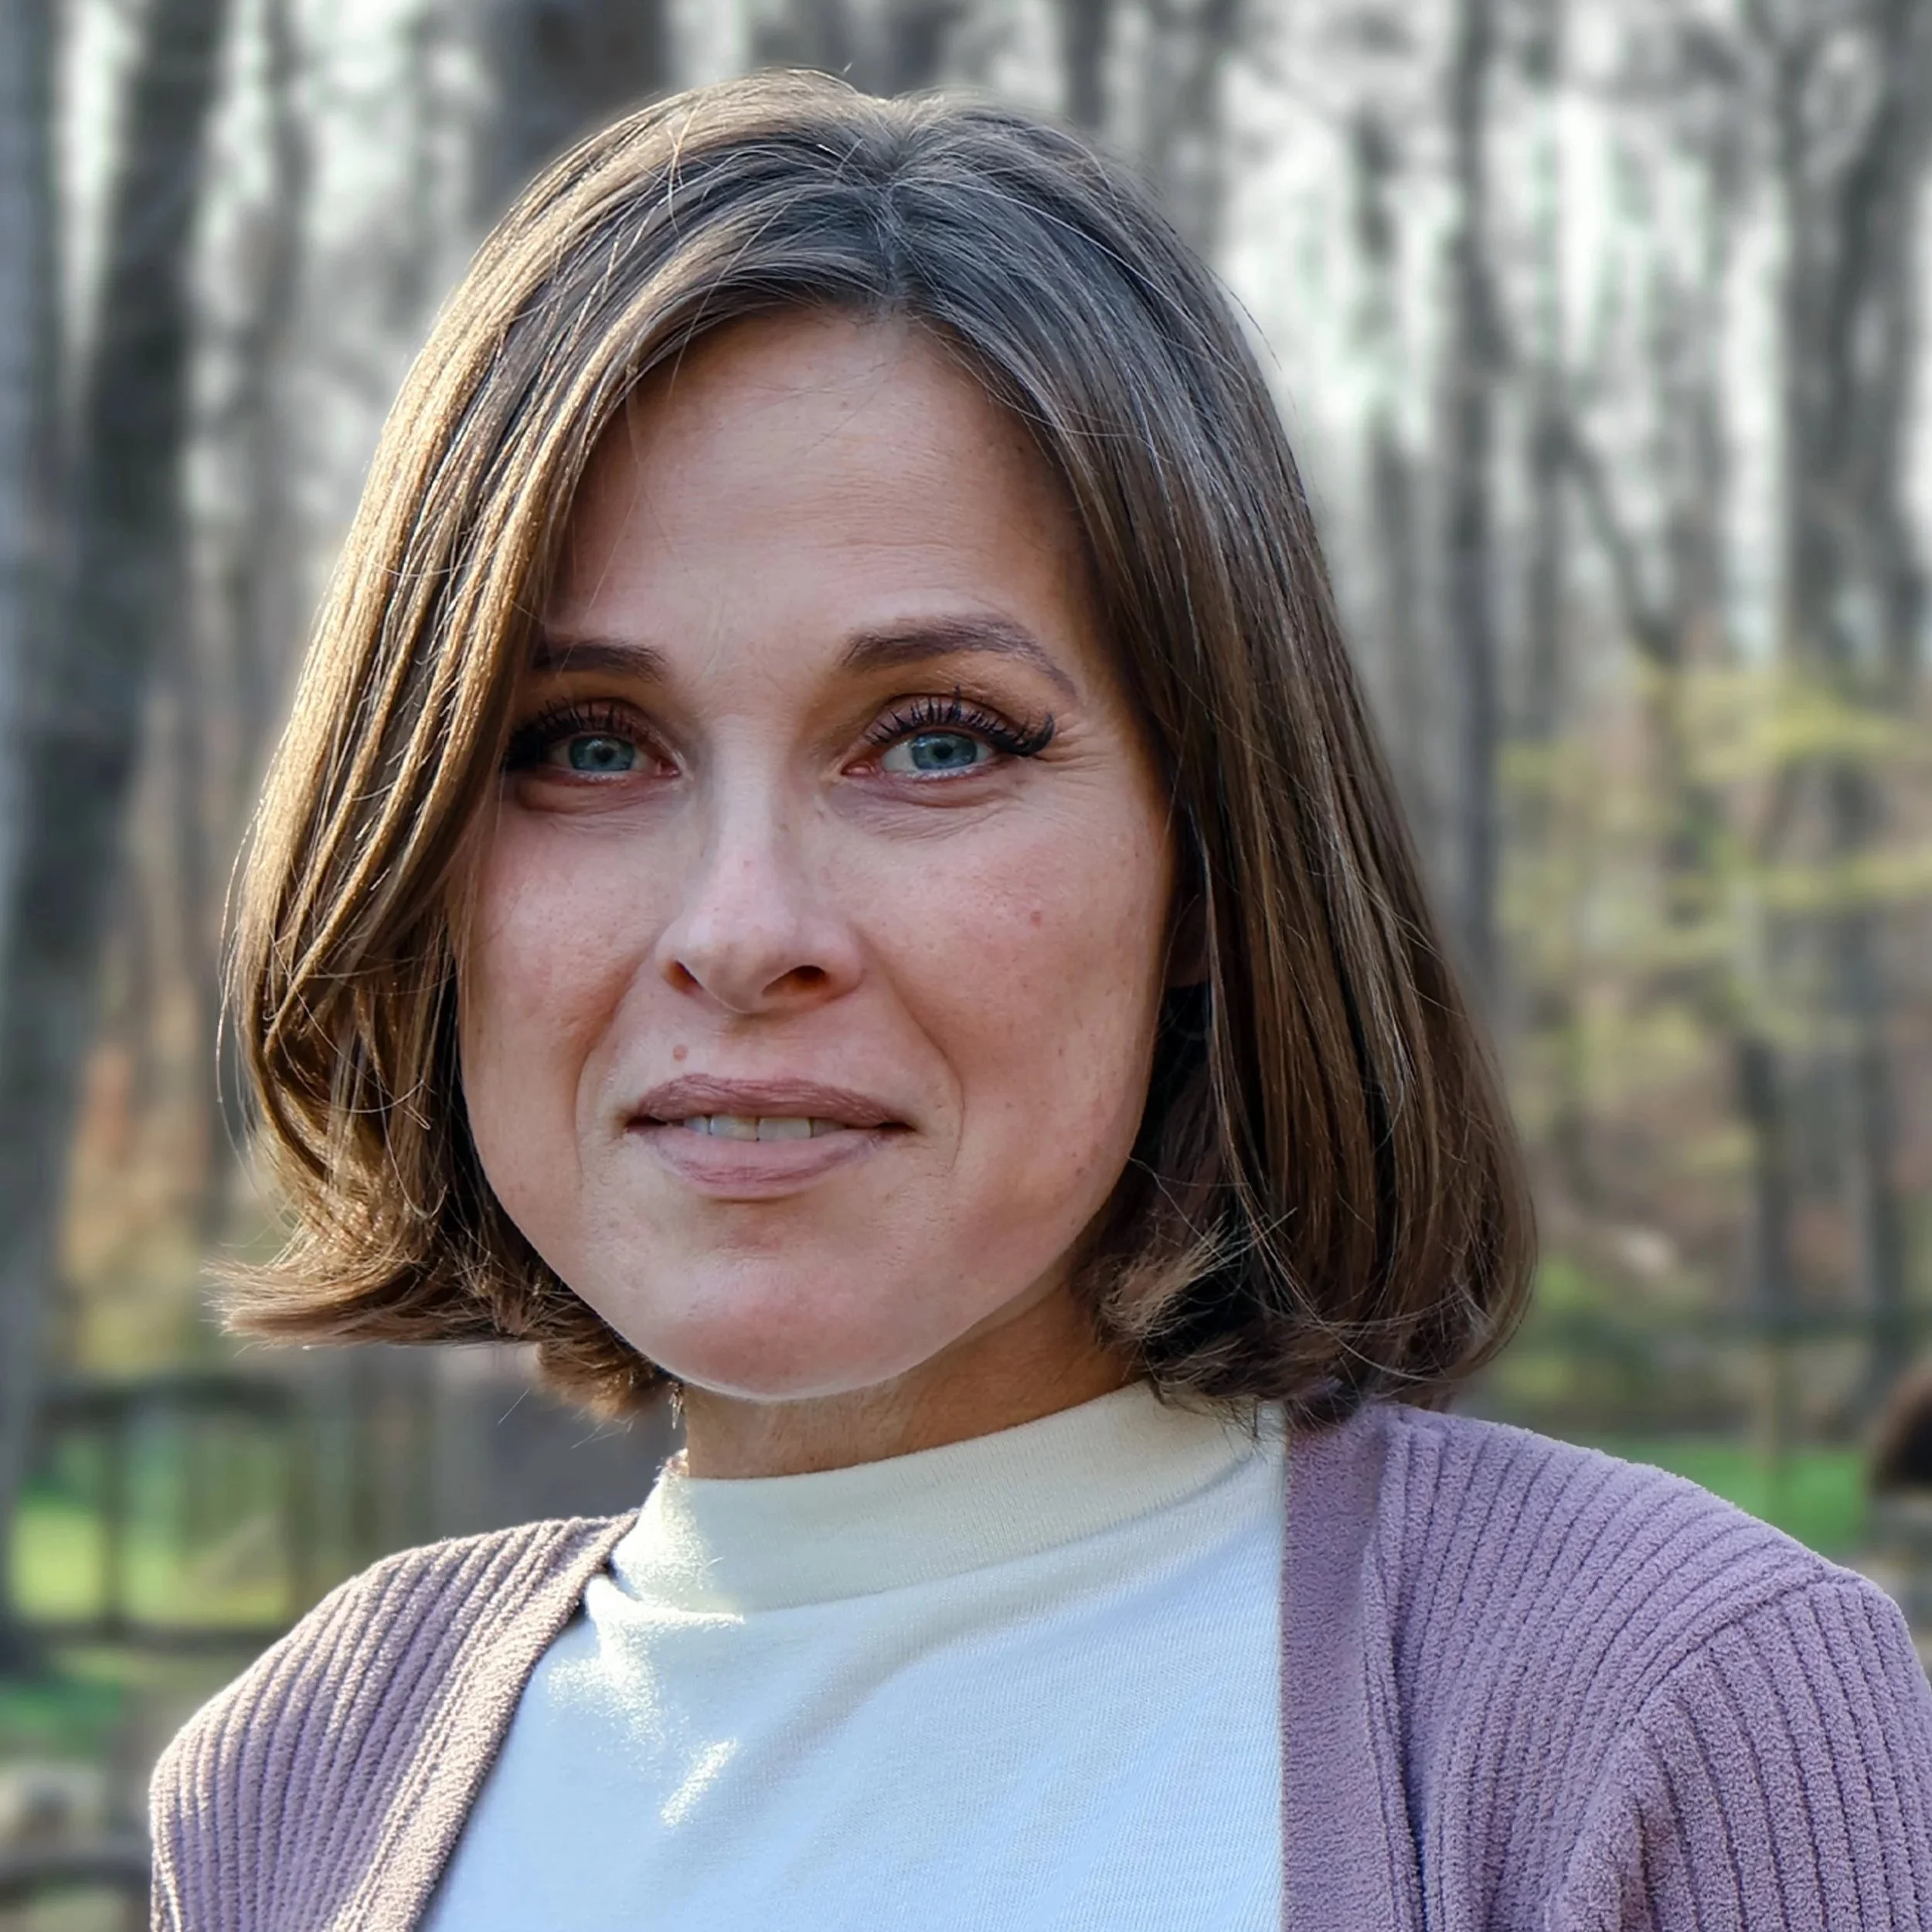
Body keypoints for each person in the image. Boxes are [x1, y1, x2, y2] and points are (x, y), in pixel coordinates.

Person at [150, 73, 1932, 1932]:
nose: (742, 930)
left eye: (934, 740)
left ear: (1203, 857)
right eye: (586, 744)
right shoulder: (300, 1783)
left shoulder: (1653, 1702)